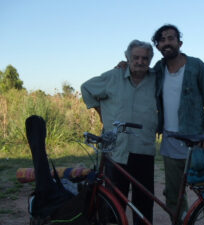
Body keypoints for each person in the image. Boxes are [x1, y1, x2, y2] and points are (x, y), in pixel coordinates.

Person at [81, 40, 157, 225]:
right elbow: (86, 88)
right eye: (135, 57)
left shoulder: (157, 78)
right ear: (127, 58)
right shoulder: (113, 77)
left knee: (144, 201)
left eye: (145, 58)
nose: (140, 61)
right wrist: (101, 114)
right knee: (115, 199)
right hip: (116, 150)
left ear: (150, 60)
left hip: (144, 148)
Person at [152, 24, 204, 224]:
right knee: (173, 195)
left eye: (170, 38)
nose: (166, 42)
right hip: (170, 143)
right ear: (158, 46)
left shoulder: (196, 66)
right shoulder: (158, 69)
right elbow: (139, 72)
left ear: (179, 42)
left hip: (197, 144)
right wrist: (124, 63)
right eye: (162, 40)